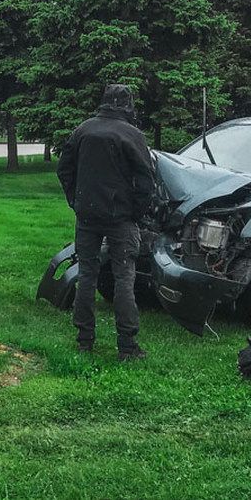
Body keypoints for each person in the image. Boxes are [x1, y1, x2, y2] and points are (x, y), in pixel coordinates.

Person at [56, 84, 155, 361]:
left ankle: (84, 340)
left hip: (87, 214)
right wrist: (136, 212)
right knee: (125, 276)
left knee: (87, 275)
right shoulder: (132, 135)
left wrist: (75, 200)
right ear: (127, 105)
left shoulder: (83, 130)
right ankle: (126, 345)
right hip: (120, 217)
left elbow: (64, 169)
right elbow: (146, 180)